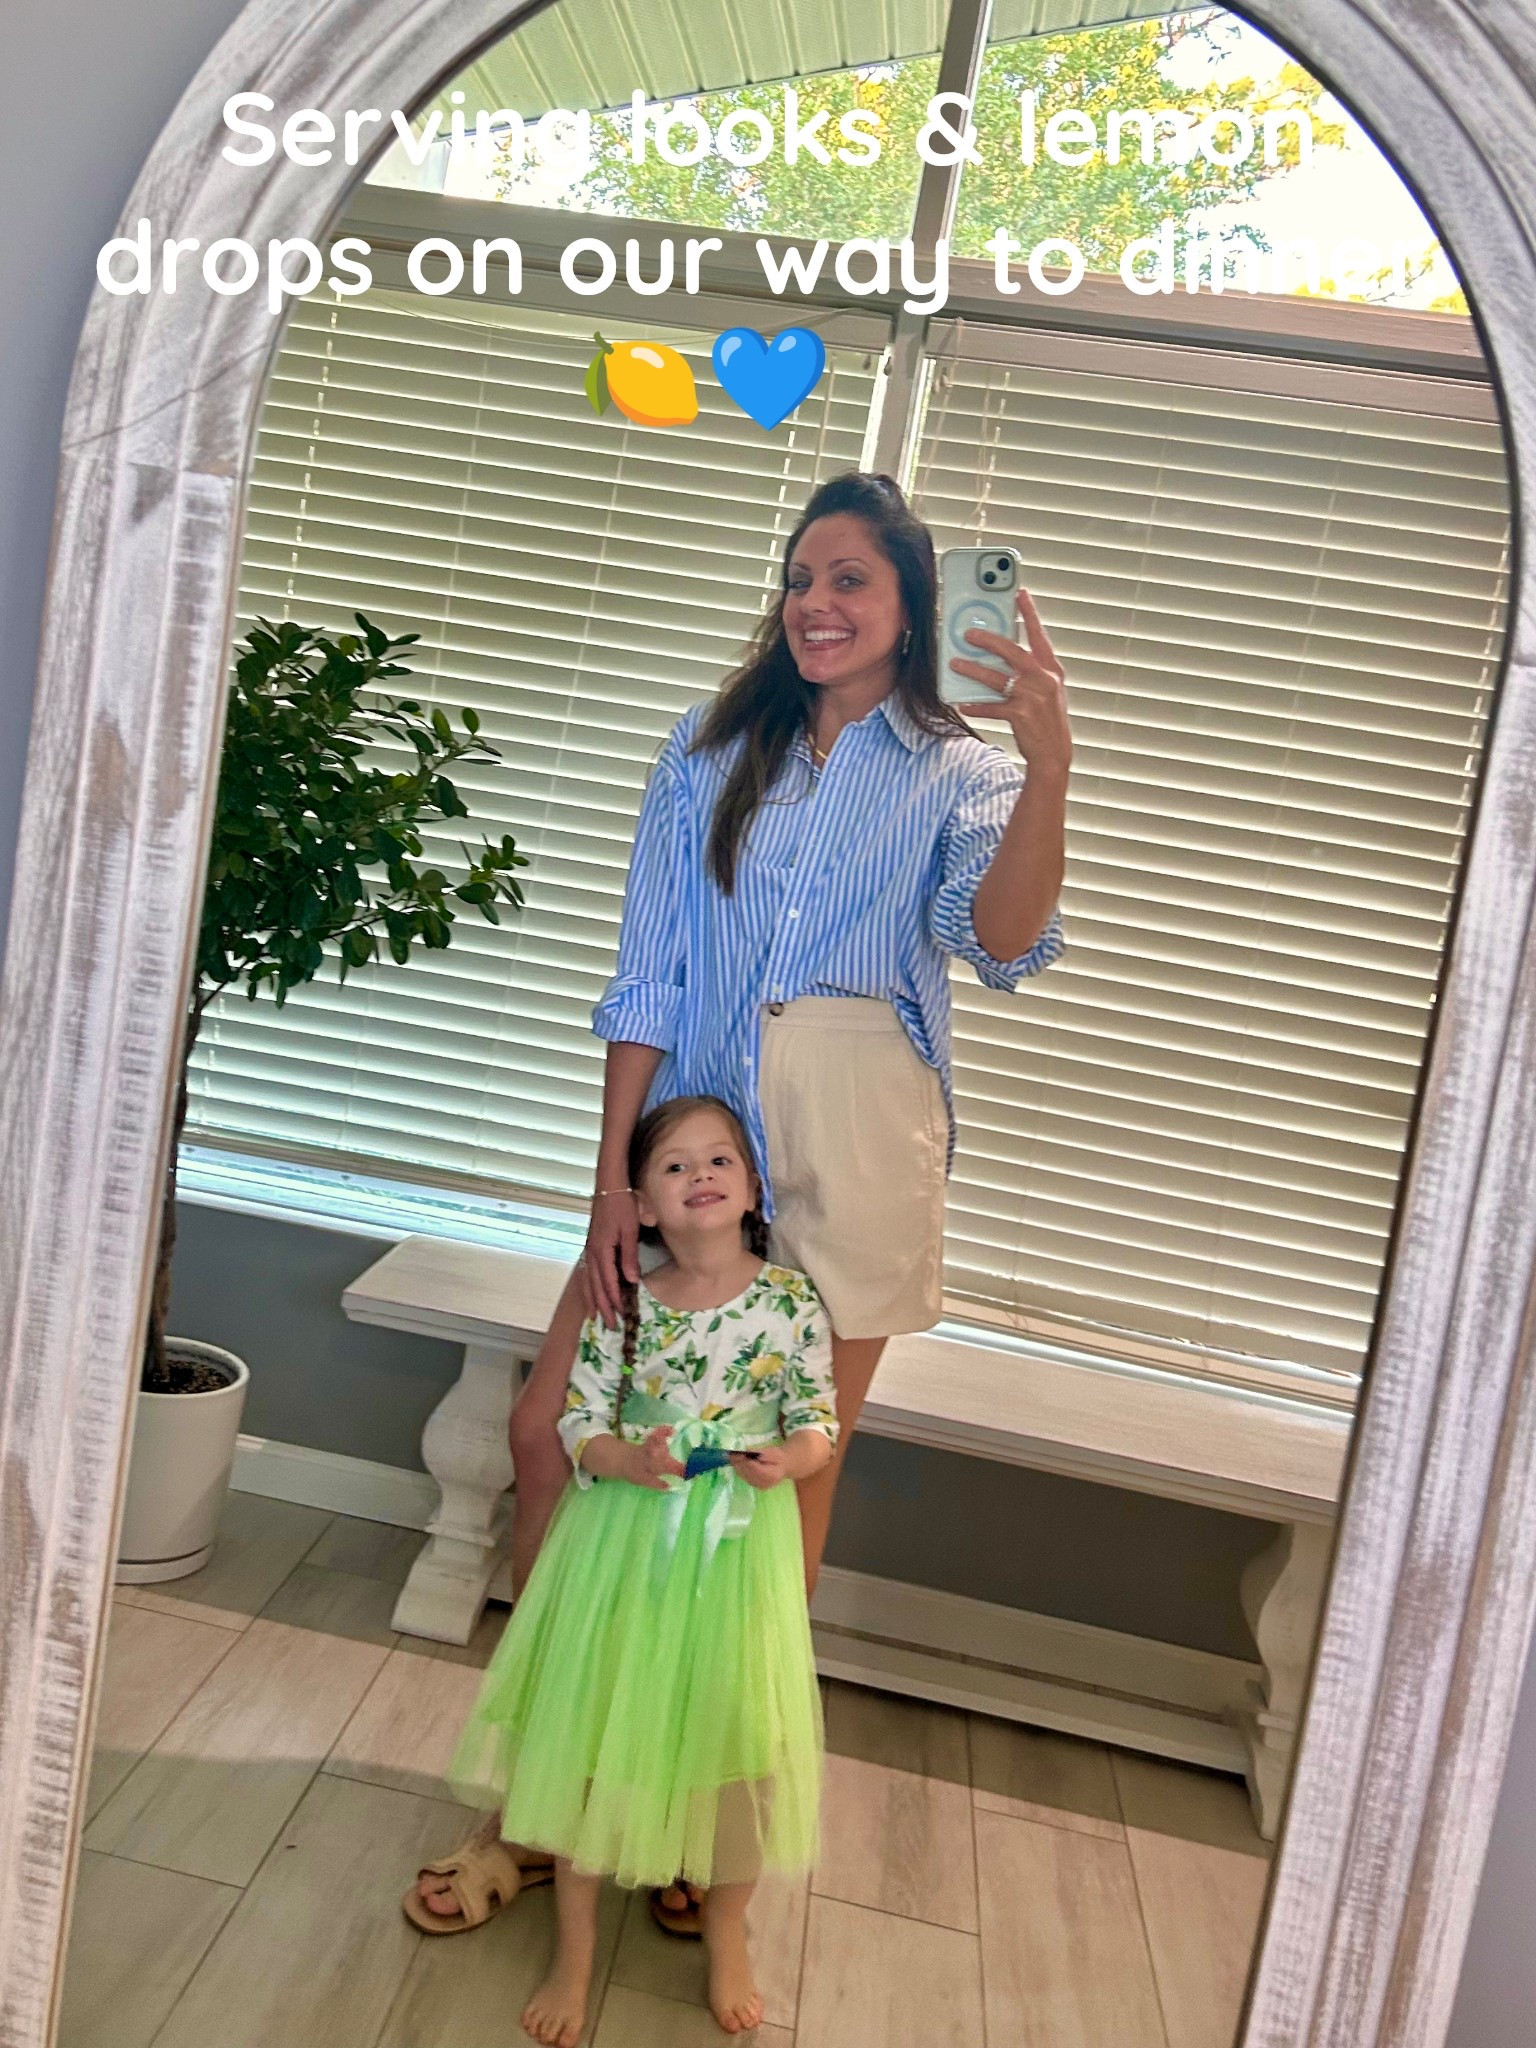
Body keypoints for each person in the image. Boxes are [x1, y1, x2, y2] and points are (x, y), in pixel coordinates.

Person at [408, 468, 1072, 1937]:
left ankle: (703, 1826)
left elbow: (1005, 945)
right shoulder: (707, 752)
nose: (817, 603)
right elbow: (649, 971)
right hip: (692, 1137)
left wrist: (1052, 760)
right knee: (551, 1438)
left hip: (854, 1130)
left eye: (852, 580)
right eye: (801, 575)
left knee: (776, 1498)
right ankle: (543, 1805)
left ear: (912, 611)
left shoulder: (964, 773)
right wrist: (606, 1185)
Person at [430, 1094, 837, 2043]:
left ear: (751, 1186)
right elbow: (579, 1419)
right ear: (643, 1204)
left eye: (721, 1160)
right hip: (623, 1544)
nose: (702, 1174)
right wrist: (625, 1458)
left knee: (737, 1738)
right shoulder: (630, 1303)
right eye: (675, 1165)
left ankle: (727, 1929)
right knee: (597, 1728)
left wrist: (796, 1459)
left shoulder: (788, 1304)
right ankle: (574, 1954)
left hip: (735, 1550)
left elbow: (817, 1417)